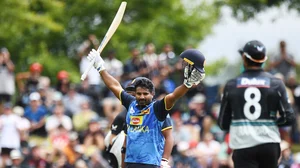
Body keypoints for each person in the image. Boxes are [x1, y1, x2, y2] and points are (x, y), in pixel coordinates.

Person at [86, 48, 205, 168]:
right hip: (130, 163)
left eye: (145, 94)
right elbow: (114, 86)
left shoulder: (158, 108)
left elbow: (173, 96)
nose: (141, 97)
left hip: (150, 163)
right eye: (139, 94)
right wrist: (100, 67)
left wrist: (187, 84)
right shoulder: (131, 104)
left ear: (152, 94)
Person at [218, 40, 295, 168]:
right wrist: (271, 122)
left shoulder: (232, 85)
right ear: (264, 59)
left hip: (243, 144)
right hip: (269, 144)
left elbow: (223, 123)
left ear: (244, 58)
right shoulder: (276, 83)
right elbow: (289, 118)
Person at [105, 77, 174, 168]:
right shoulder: (125, 114)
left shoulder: (157, 110)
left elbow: (168, 137)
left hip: (152, 160)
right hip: (130, 160)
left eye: (132, 91)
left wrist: (165, 160)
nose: (131, 94)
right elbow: (120, 143)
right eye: (130, 92)